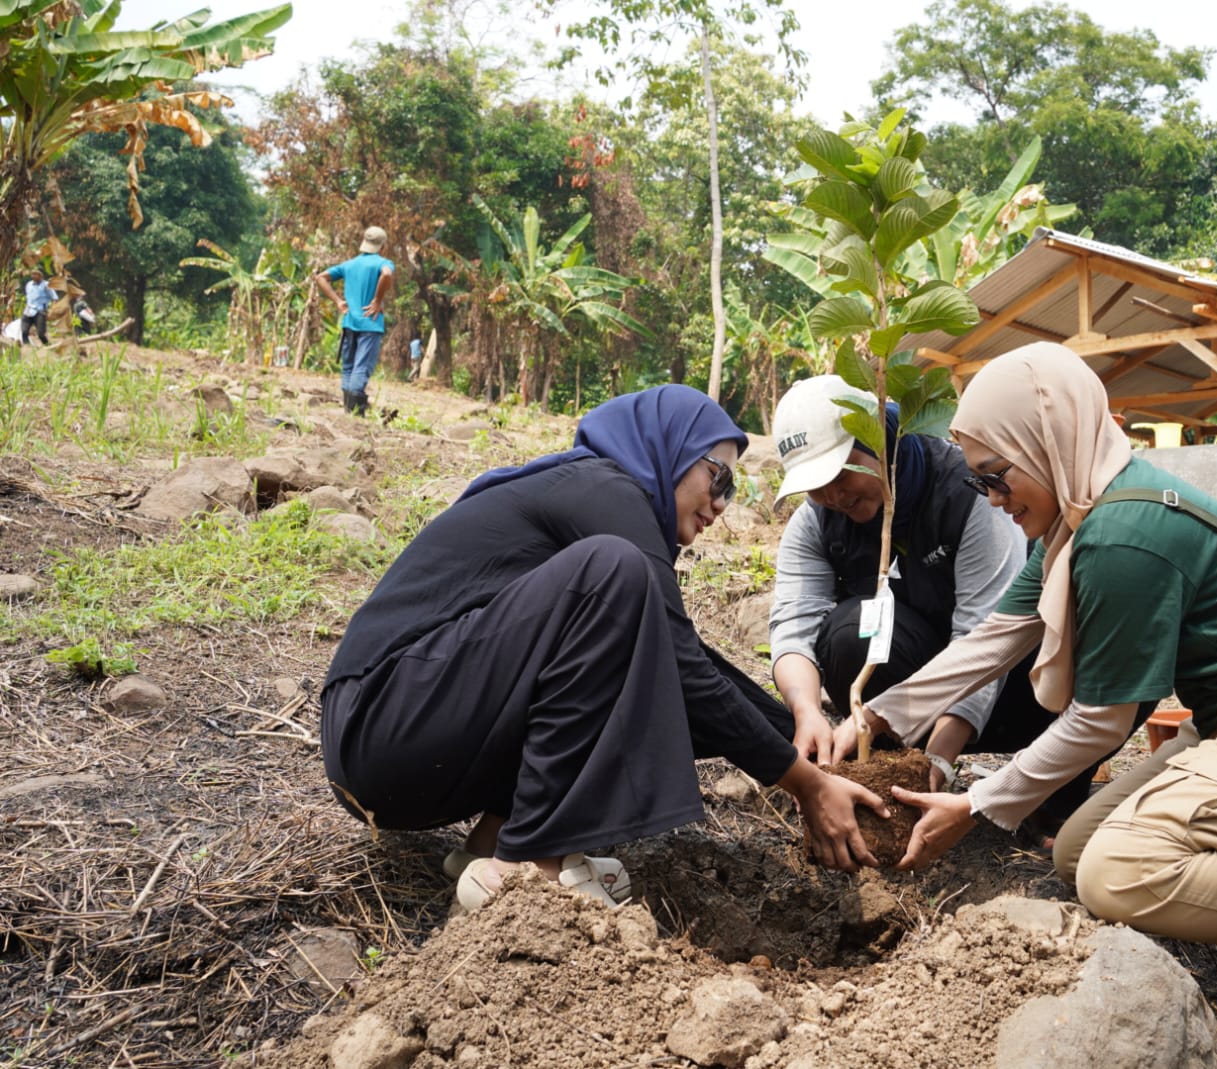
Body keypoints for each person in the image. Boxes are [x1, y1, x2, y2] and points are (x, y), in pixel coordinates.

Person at [851, 342, 1217, 1036]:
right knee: (1077, 851)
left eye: (998, 477)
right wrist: (874, 713)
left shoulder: (1123, 533)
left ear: (1046, 440)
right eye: (980, 484)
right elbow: (994, 639)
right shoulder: (1078, 516)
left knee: (1120, 870)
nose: (994, 499)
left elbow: (1101, 722)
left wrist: (976, 801)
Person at [320, 384, 889, 912]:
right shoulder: (604, 489)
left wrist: (800, 739)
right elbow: (685, 668)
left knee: (633, 642)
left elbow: (680, 665)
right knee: (614, 572)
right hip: (381, 724)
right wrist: (804, 782)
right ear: (667, 450)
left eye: (733, 491)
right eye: (718, 479)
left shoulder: (600, 506)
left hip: (416, 744)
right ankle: (530, 868)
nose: (721, 505)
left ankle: (492, 846)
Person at [769, 375, 1149, 832]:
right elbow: (795, 624)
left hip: (1018, 692)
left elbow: (987, 639)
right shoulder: (816, 523)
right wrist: (816, 713)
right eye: (815, 485)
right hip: (919, 686)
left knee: (1109, 651)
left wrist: (947, 767)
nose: (831, 496)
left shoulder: (972, 497)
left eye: (839, 474)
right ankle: (891, 781)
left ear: (882, 440)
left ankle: (1056, 793)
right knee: (851, 633)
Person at [315, 226, 395, 416]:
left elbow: (321, 277)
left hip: (349, 322)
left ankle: (347, 410)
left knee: (348, 367)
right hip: (370, 323)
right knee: (361, 367)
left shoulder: (349, 265)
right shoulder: (383, 263)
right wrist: (377, 300)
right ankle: (355, 412)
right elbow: (387, 274)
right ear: (382, 246)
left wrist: (338, 302)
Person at [21, 269, 57, 347]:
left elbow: (54, 298)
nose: (33, 276)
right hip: (28, 310)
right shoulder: (29, 284)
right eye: (32, 274)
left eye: (35, 274)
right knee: (24, 331)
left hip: (40, 311)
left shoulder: (46, 285)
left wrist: (52, 309)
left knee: (41, 334)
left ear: (40, 276)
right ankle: (27, 348)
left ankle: (48, 346)